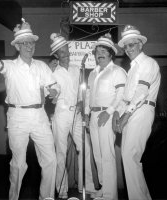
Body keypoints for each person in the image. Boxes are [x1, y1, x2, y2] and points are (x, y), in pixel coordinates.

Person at [0, 19, 59, 200]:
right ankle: (13, 197)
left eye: (31, 42)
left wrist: (54, 91)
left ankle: (46, 197)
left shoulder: (41, 66)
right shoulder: (10, 66)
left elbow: (53, 85)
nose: (28, 46)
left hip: (40, 116)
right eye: (24, 43)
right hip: (18, 117)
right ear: (17, 46)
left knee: (51, 160)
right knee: (18, 164)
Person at [112, 25, 161, 200]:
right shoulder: (133, 68)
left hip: (142, 111)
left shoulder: (148, 63)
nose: (128, 49)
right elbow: (126, 97)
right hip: (132, 112)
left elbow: (141, 92)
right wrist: (117, 113)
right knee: (129, 159)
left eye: (131, 45)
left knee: (130, 157)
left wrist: (125, 115)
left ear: (140, 44)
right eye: (125, 46)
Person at [49, 33, 96, 199]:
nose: (66, 54)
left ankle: (88, 186)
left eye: (66, 50)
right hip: (61, 113)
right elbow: (50, 94)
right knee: (60, 152)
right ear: (56, 55)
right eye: (61, 52)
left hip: (76, 114)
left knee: (85, 147)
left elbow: (83, 91)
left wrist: (81, 102)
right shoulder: (52, 71)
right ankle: (61, 191)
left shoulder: (77, 69)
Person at [85, 33, 127, 200]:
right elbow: (88, 95)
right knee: (97, 154)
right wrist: (87, 114)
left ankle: (111, 195)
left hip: (107, 115)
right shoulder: (92, 73)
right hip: (94, 115)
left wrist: (108, 112)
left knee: (107, 154)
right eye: (97, 51)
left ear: (111, 53)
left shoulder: (117, 71)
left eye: (104, 51)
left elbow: (121, 95)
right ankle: (103, 189)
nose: (100, 54)